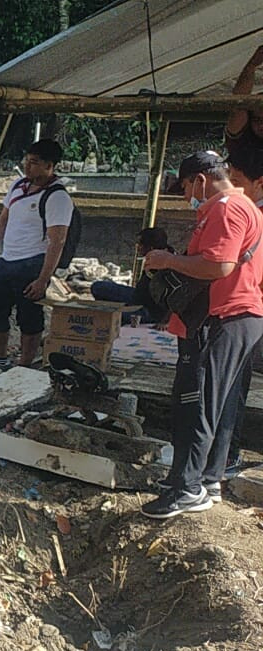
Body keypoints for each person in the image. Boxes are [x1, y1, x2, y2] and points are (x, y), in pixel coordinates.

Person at [140, 151, 263, 519]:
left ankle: (186, 487)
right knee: (223, 404)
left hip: (220, 317)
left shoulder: (226, 208)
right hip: (242, 316)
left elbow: (219, 264)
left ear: (200, 180)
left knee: (197, 402)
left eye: (185, 188)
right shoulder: (250, 209)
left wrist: (167, 260)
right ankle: (208, 479)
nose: (185, 197)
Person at [0, 139, 75, 373]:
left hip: (33, 262)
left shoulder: (57, 197)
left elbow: (58, 240)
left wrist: (43, 278)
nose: (28, 167)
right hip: (7, 259)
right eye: (26, 161)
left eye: (34, 163)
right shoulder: (17, 187)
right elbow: (3, 220)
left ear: (49, 166)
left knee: (29, 317)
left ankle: (24, 365)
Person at [222, 147, 263, 475]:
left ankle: (230, 452)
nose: (230, 189)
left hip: (249, 309)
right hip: (251, 310)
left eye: (236, 181)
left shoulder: (248, 216)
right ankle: (229, 451)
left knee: (234, 385)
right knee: (235, 384)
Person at [89, 227, 171, 326]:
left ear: (150, 248)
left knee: (109, 316)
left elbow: (176, 299)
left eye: (140, 245)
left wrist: (164, 321)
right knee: (98, 287)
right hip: (138, 296)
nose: (138, 248)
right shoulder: (153, 258)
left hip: (150, 310)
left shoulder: (168, 264)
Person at [225, 45, 263, 158]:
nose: (261, 124)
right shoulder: (241, 138)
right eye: (257, 119)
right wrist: (251, 66)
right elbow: (239, 103)